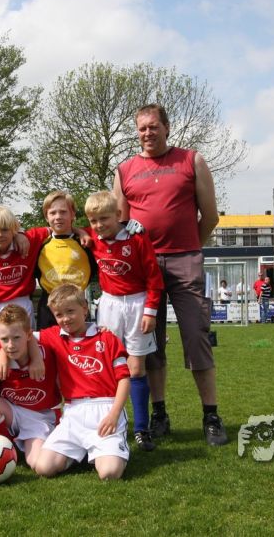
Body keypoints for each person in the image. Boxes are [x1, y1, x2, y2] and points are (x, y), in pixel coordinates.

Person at [113, 103, 227, 446]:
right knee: (150, 344)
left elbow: (210, 216)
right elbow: (120, 225)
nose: (147, 133)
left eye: (153, 126)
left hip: (184, 261)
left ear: (166, 127)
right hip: (144, 268)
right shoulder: (124, 170)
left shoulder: (192, 160)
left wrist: (189, 249)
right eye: (142, 128)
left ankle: (211, 416)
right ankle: (159, 414)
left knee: (196, 337)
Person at [83, 191, 164, 452]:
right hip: (109, 305)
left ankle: (141, 428)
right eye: (93, 221)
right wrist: (80, 230)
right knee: (108, 366)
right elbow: (69, 228)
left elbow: (154, 277)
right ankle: (112, 424)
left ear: (118, 215)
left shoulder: (136, 237)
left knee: (136, 368)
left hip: (138, 304)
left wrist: (150, 311)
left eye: (104, 219)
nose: (98, 225)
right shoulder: (92, 237)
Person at [34, 284, 131, 480]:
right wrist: (5, 356)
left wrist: (114, 414)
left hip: (106, 408)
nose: (65, 319)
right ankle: (84, 453)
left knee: (109, 473)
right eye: (59, 314)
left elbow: (124, 379)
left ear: (85, 308)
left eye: (70, 311)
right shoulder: (54, 336)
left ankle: (111, 450)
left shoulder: (107, 338)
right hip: (73, 412)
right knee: (43, 468)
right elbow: (22, 335)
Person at [0, 305, 60, 470]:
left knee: (36, 463)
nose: (10, 345)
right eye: (4, 339)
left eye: (16, 338)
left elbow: (72, 335)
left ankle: (73, 453)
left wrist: (101, 330)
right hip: (12, 412)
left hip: (39, 418)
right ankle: (5, 446)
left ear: (29, 335)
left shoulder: (47, 348)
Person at [25, 191, 94, 330]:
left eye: (63, 212)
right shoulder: (39, 243)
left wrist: (80, 231)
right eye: (53, 213)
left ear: (73, 214)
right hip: (48, 306)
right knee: (47, 343)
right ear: (46, 216)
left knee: (80, 343)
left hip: (78, 304)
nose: (58, 217)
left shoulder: (86, 241)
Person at [0, 206, 46, 338]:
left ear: (13, 229)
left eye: (5, 230)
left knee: (26, 346)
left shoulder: (28, 241)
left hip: (23, 304)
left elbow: (54, 229)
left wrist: (21, 233)